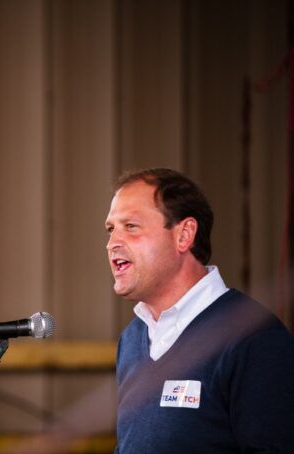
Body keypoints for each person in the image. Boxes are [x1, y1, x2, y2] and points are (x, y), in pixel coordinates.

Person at [106, 168, 294, 453]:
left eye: (131, 226)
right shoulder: (132, 339)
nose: (112, 243)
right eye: (111, 229)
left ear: (184, 235)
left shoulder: (255, 338)